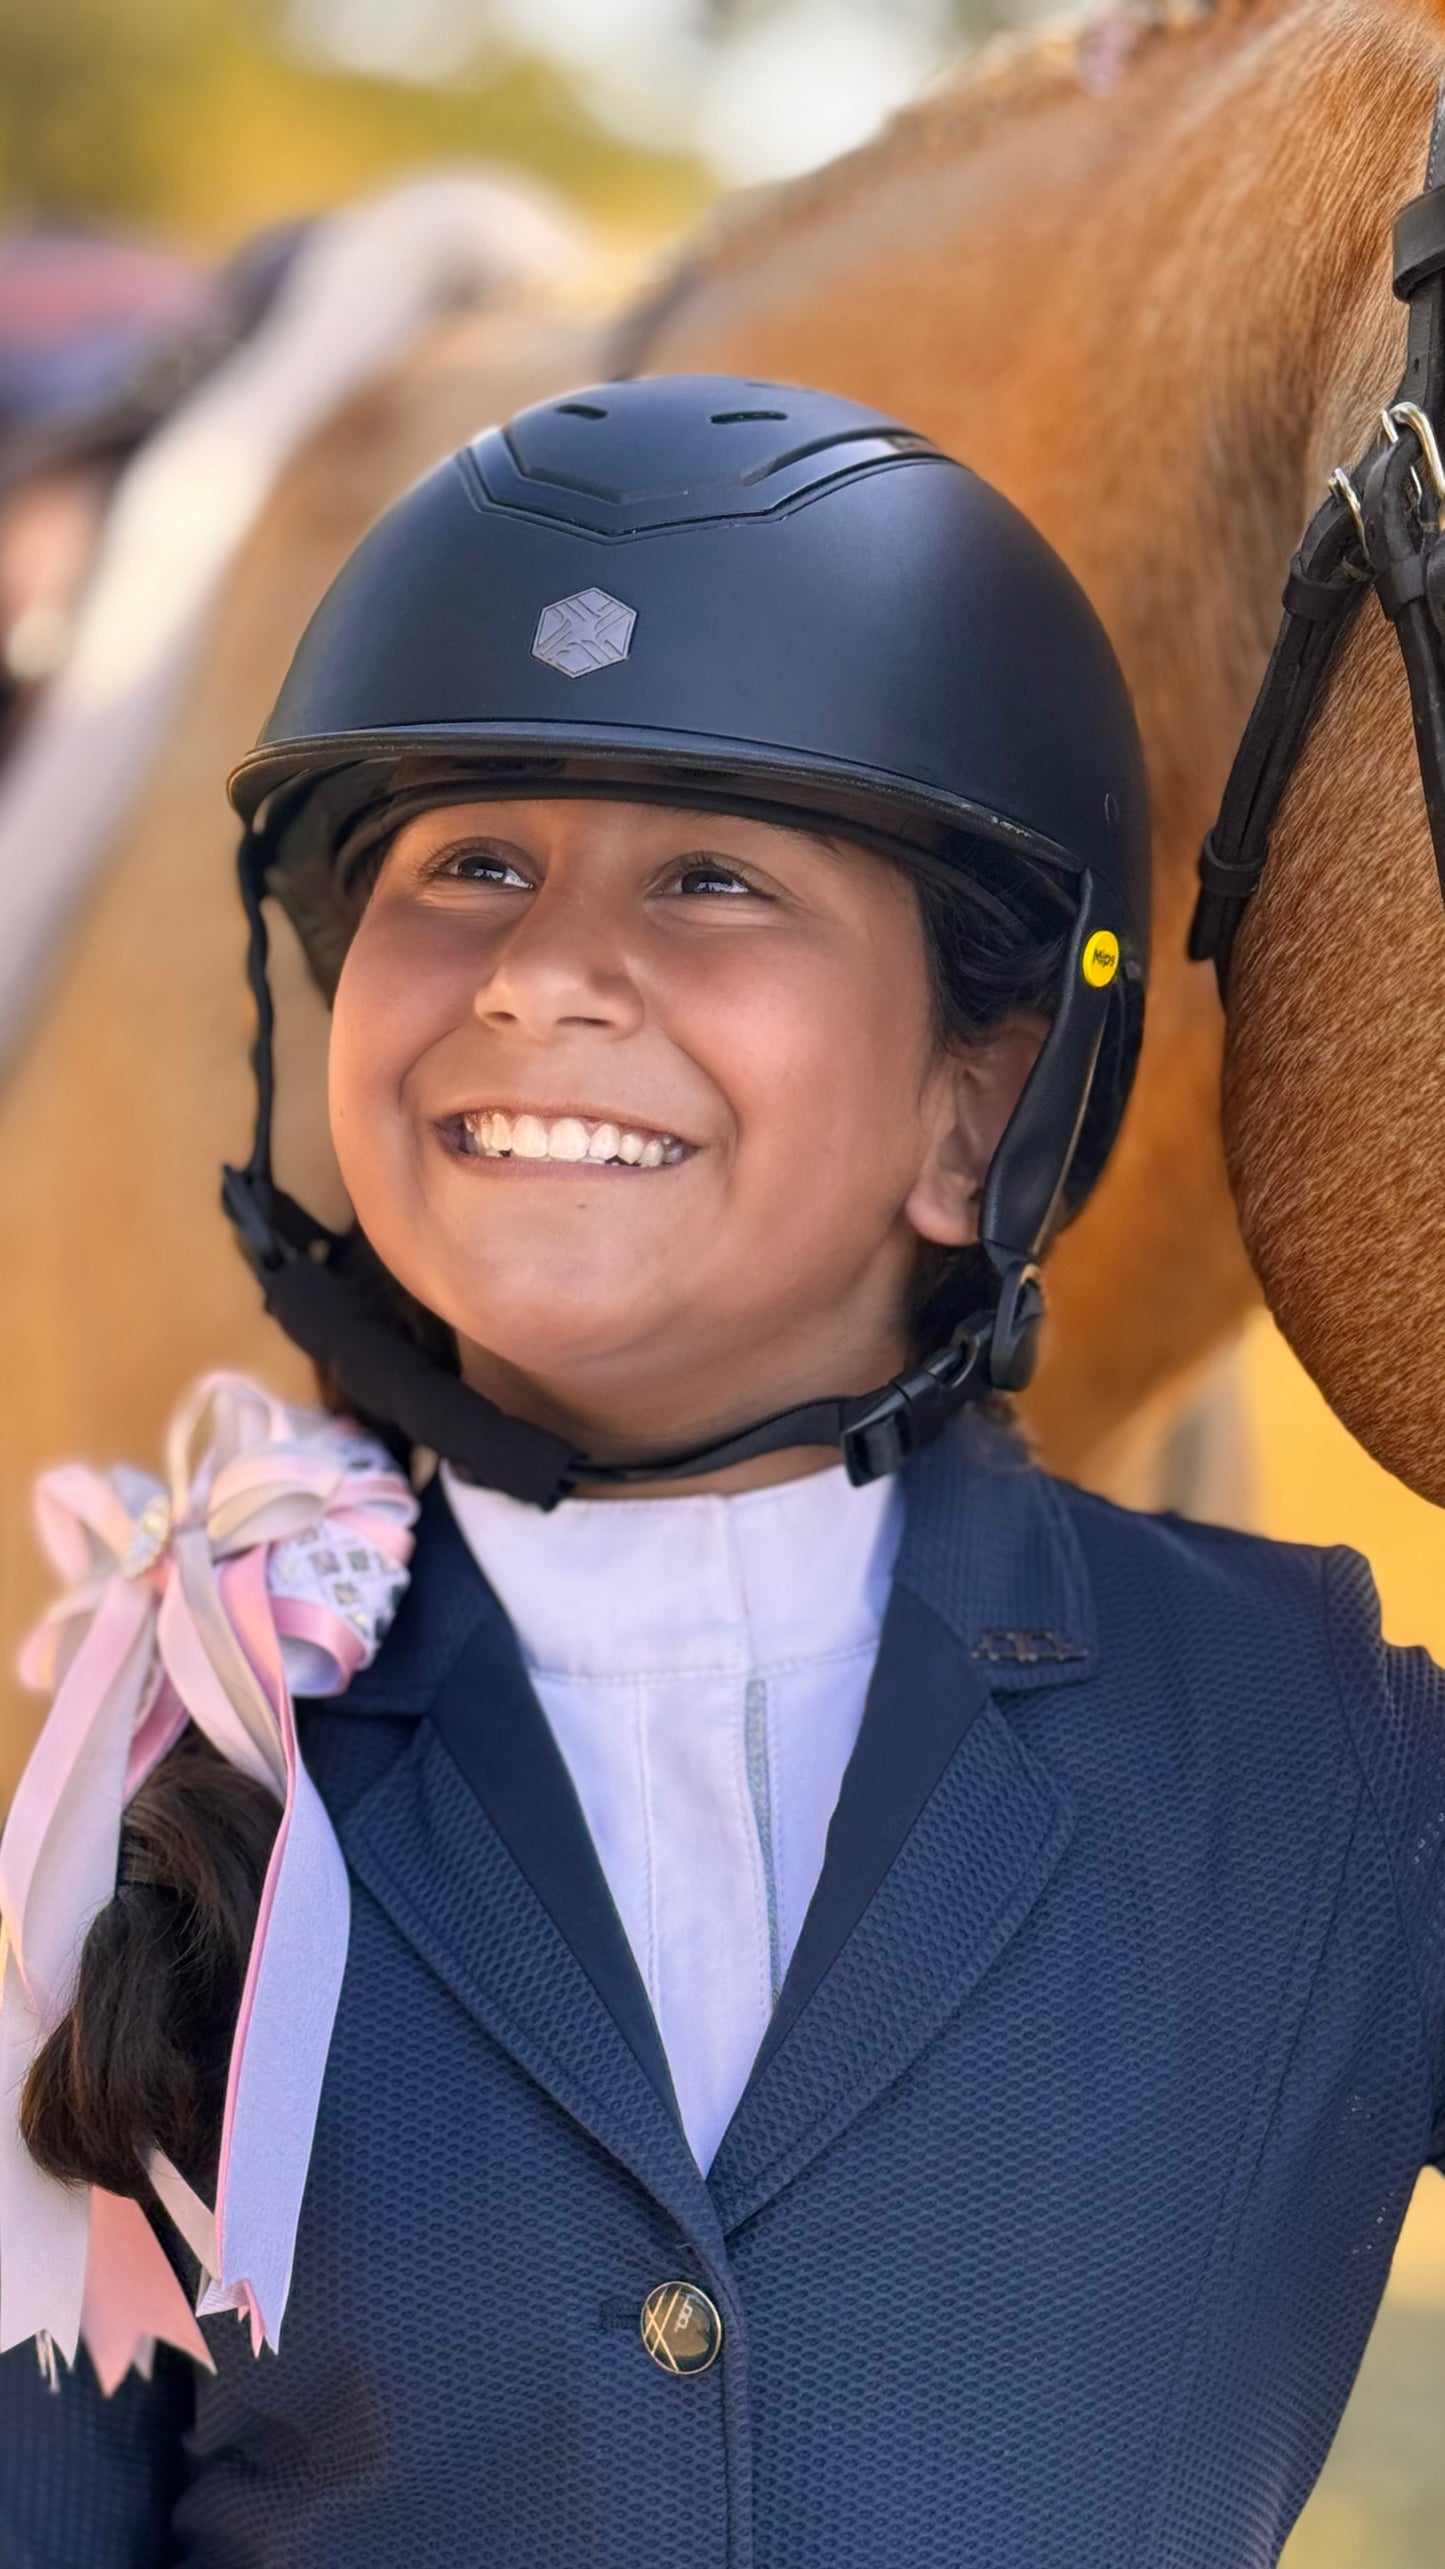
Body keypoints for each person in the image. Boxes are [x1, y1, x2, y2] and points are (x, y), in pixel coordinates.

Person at [0, 374, 1438, 2569]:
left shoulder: (1318, 1756)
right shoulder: (152, 1754)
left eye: (711, 876)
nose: (545, 972)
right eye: (466, 864)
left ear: (989, 1106)